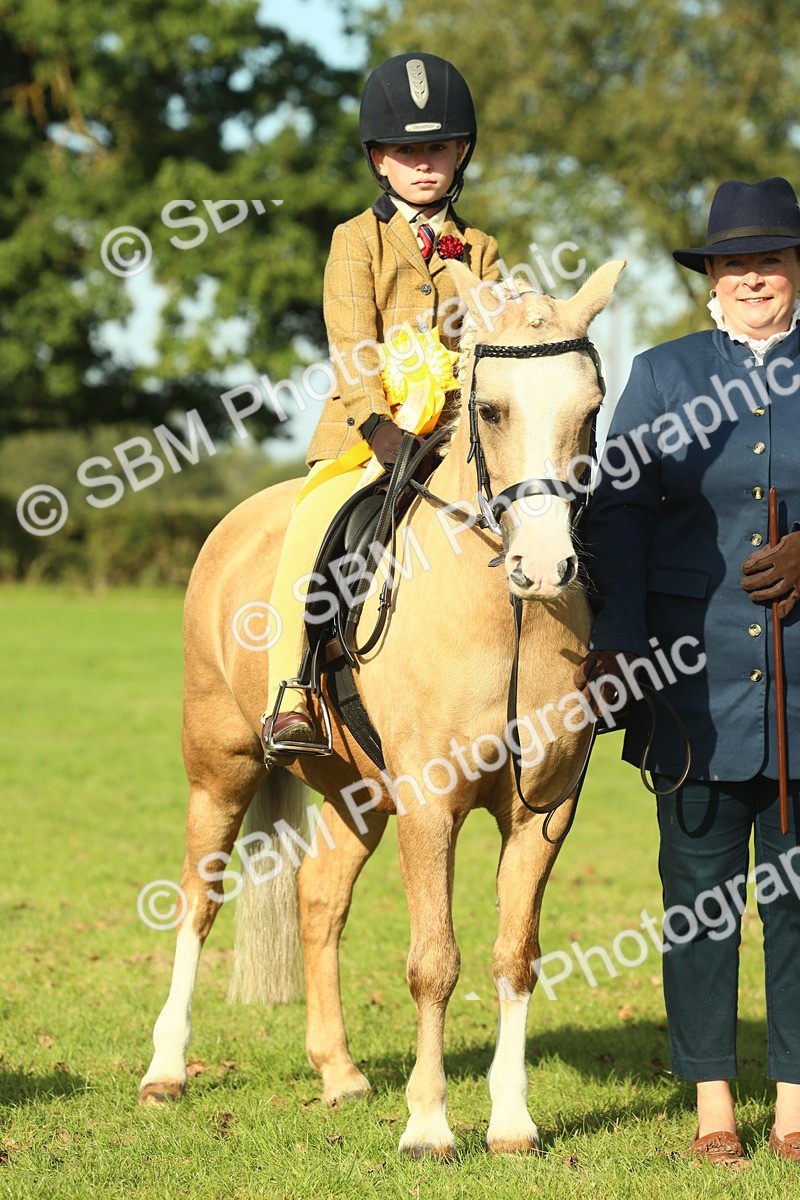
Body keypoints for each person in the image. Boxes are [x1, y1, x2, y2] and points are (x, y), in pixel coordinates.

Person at [576, 176, 800, 1165]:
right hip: (689, 688)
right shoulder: (661, 377)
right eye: (734, 262)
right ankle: (712, 1102)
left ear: (793, 271)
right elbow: (614, 514)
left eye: (770, 260)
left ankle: (793, 1106)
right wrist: (617, 644)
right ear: (709, 274)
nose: (751, 276)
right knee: (698, 900)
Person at [262, 52, 501, 754]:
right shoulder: (354, 240)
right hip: (365, 434)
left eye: (436, 148)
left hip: (454, 434)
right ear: (378, 160)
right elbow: (350, 341)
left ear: (460, 154)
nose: (422, 163)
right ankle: (293, 690)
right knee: (311, 528)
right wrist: (375, 421)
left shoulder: (480, 249)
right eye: (405, 150)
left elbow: (487, 343)